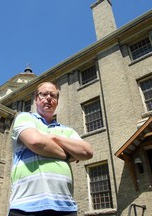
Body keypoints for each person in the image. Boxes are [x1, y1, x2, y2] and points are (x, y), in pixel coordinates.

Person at [8, 82, 93, 216]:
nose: (49, 98)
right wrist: (67, 156)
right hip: (26, 206)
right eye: (44, 94)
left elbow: (87, 152)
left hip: (65, 207)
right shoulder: (25, 117)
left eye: (53, 95)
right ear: (36, 99)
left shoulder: (67, 130)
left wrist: (54, 138)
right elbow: (35, 141)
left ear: (57, 101)